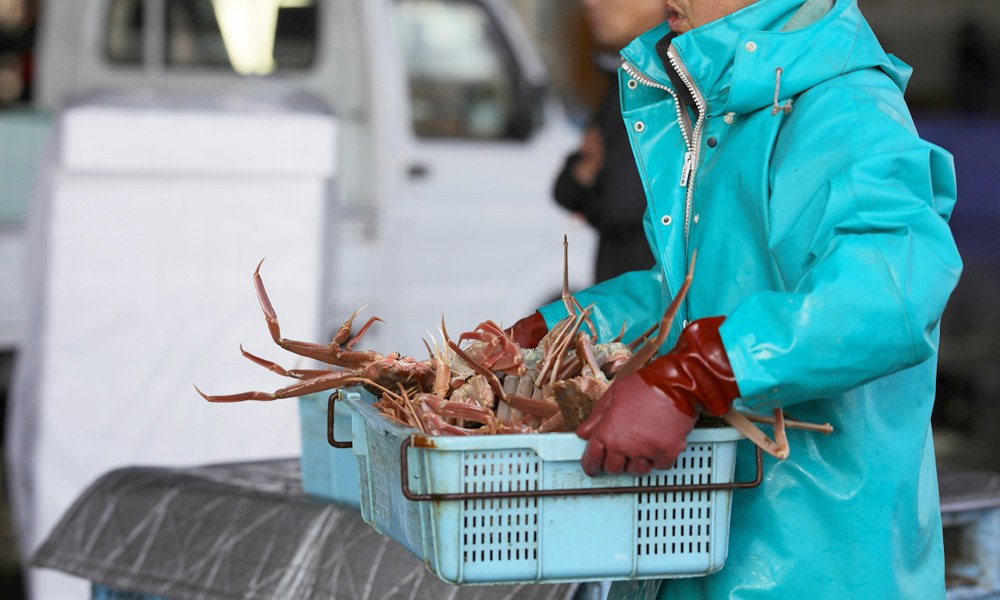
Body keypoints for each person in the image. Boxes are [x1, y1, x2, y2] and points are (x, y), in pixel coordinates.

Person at [509, 0, 963, 597]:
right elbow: (695, 291)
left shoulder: (844, 109)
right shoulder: (731, 107)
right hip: (694, 550)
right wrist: (564, 328)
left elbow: (887, 292)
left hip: (815, 568)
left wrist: (697, 374)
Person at [553, 0, 667, 283]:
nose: (590, 3)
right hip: (622, 300)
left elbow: (623, 205)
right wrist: (587, 176)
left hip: (655, 310)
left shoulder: (670, 84)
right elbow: (565, 188)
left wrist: (590, 180)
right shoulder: (625, 76)